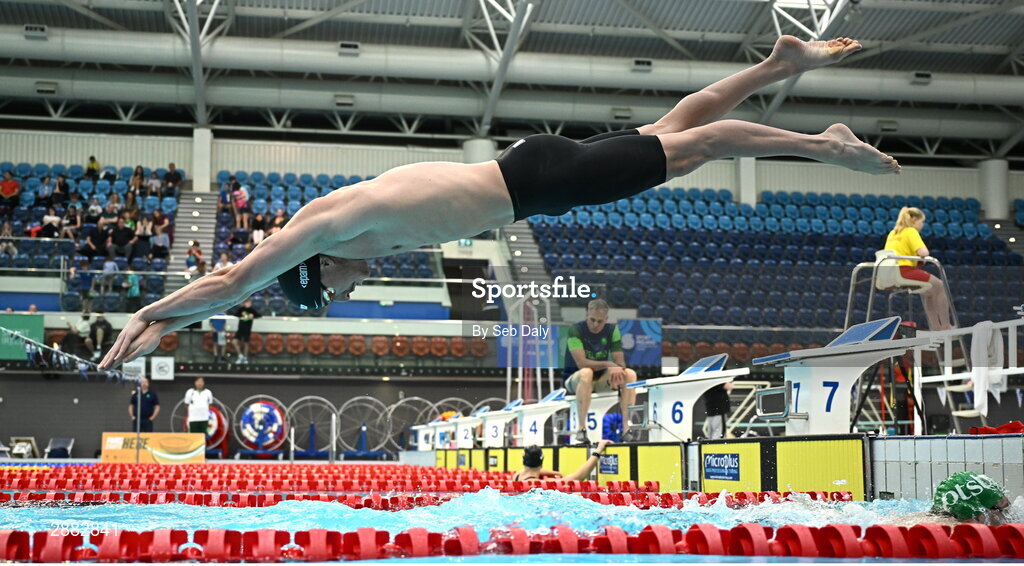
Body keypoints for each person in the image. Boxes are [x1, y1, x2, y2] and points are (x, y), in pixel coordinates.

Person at [101, 35, 902, 369]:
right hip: (532, 177)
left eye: (337, 288)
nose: (352, 288)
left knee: (698, 147)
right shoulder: (349, 227)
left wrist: (150, 319)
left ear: (319, 269)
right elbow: (234, 287)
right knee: (671, 134)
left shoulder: (327, 229)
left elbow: (233, 282)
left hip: (539, 185)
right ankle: (776, 62)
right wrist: (165, 321)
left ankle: (822, 143)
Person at [563, 299, 638, 444]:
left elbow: (620, 361)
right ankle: (581, 429)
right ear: (586, 315)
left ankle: (626, 428)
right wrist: (610, 364)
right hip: (575, 379)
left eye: (600, 321)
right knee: (586, 372)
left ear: (606, 319)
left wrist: (618, 371)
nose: (595, 325)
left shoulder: (612, 330)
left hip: (599, 380)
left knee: (630, 374)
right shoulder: (575, 330)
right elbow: (581, 363)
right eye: (592, 320)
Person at [883, 207, 954, 331]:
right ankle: (946, 325)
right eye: (922, 222)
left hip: (889, 272)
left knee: (930, 292)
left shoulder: (893, 233)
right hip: (904, 270)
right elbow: (924, 252)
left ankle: (936, 327)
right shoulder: (910, 231)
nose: (922, 225)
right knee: (940, 286)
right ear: (914, 220)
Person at [512, 440, 613, 482]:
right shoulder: (538, 484)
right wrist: (598, 450)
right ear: (541, 462)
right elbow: (579, 476)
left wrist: (556, 473)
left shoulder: (517, 476)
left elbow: (533, 470)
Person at [232, 297, 261, 364]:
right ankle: (240, 355)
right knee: (234, 341)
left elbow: (258, 315)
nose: (248, 304)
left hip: (247, 329)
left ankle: (245, 358)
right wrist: (241, 315)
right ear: (244, 303)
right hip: (240, 329)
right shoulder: (241, 309)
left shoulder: (252, 310)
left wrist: (252, 316)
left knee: (246, 343)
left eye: (249, 303)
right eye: (247, 302)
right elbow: (236, 315)